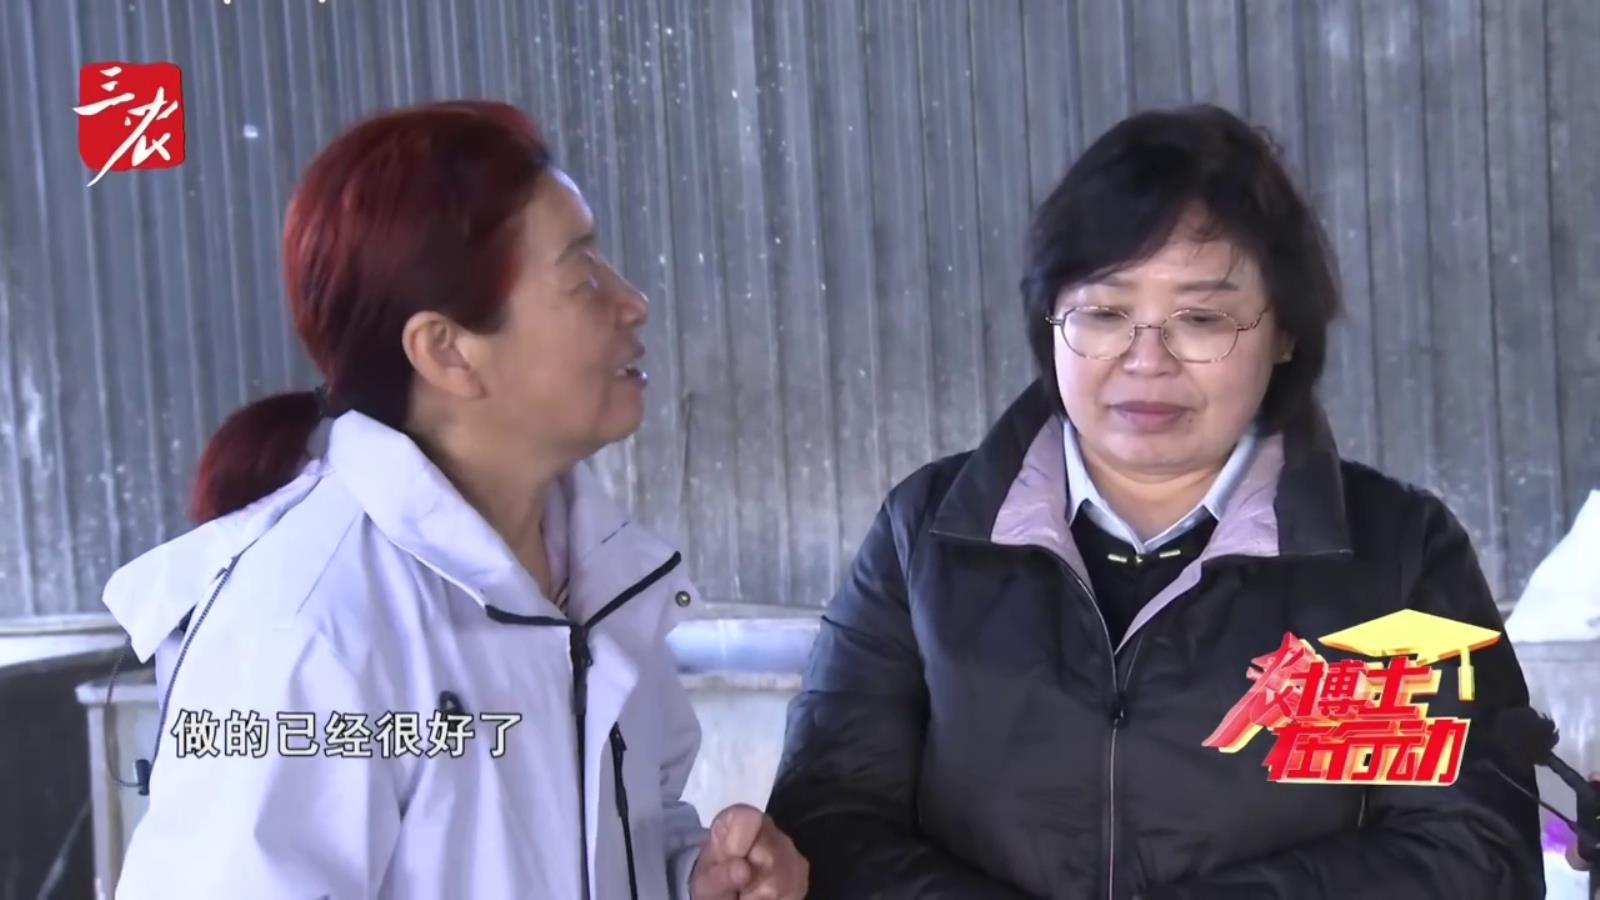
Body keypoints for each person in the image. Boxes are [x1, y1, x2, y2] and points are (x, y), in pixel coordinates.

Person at [765, 104, 1544, 898]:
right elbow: (825, 820)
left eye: (1201, 318)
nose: (1147, 360)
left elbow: (1470, 855)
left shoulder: (1393, 561)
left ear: (1285, 333)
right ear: (1050, 318)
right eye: (1104, 313)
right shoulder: (929, 535)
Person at [103, 100, 807, 900]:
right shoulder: (304, 631)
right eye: (581, 274)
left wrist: (693, 881)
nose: (632, 300)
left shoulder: (598, 575)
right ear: (447, 351)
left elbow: (607, 842)